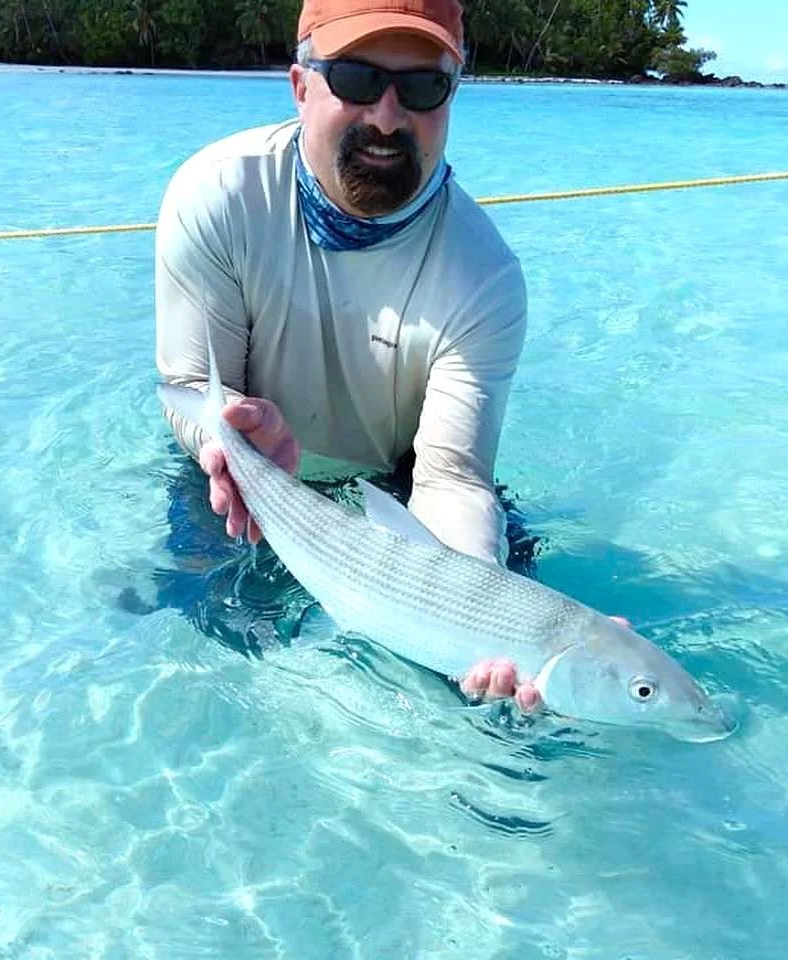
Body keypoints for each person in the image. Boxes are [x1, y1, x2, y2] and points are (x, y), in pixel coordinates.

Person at [155, 0, 541, 711]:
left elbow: (451, 479)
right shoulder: (217, 196)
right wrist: (233, 435)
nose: (388, 118)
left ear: (452, 96)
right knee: (203, 666)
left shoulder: (485, 275)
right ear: (300, 85)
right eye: (357, 79)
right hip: (238, 484)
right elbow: (188, 386)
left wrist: (476, 612)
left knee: (500, 711)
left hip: (406, 491)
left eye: (422, 87)